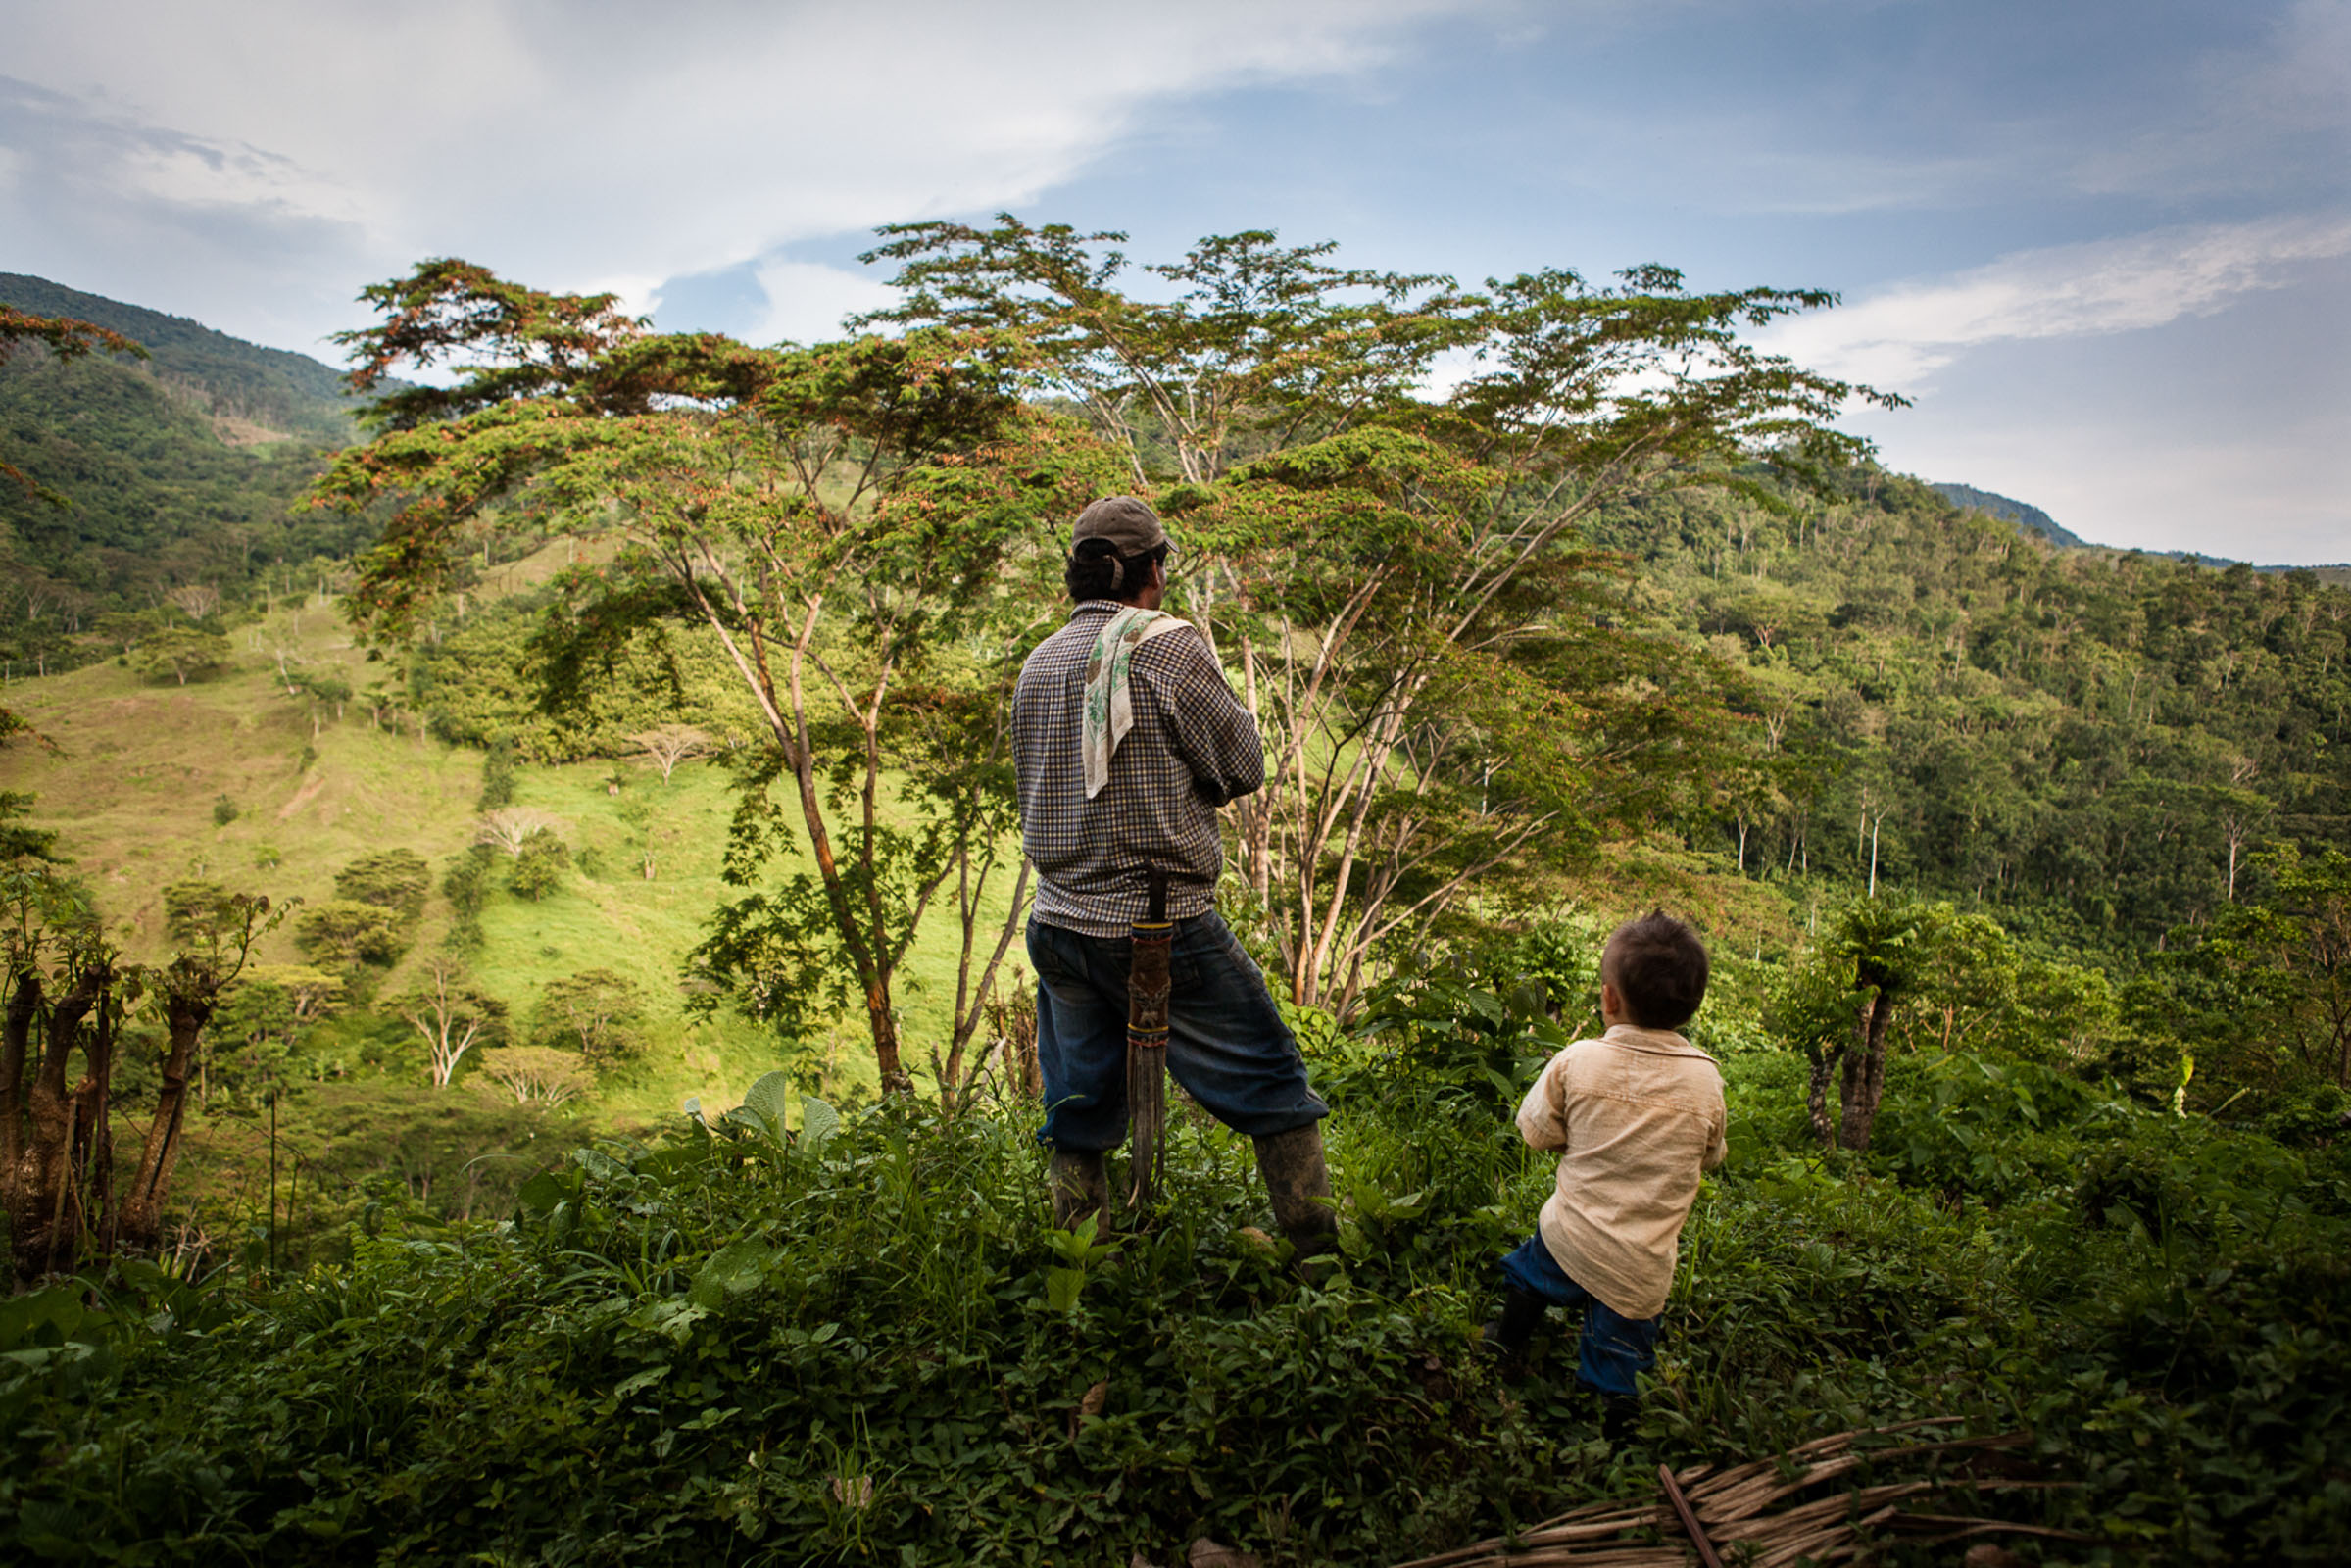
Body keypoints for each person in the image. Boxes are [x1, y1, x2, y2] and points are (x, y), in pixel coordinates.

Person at [1009, 495, 1336, 1266]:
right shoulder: (1167, 649)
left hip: (1057, 922)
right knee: (1274, 1087)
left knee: (1077, 1104)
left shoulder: (1041, 658)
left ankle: (1082, 1261)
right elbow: (1240, 767)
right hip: (1156, 926)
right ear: (1154, 568)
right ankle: (1320, 1263)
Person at [1485, 911, 1728, 1439]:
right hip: (1642, 1265)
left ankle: (1504, 1345)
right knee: (1624, 1356)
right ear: (1691, 1007)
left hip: (1569, 1236)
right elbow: (1711, 1155)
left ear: (1609, 999)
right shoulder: (1706, 1080)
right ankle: (1615, 1440)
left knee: (1530, 1275)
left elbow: (1535, 1132)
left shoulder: (1579, 1060)